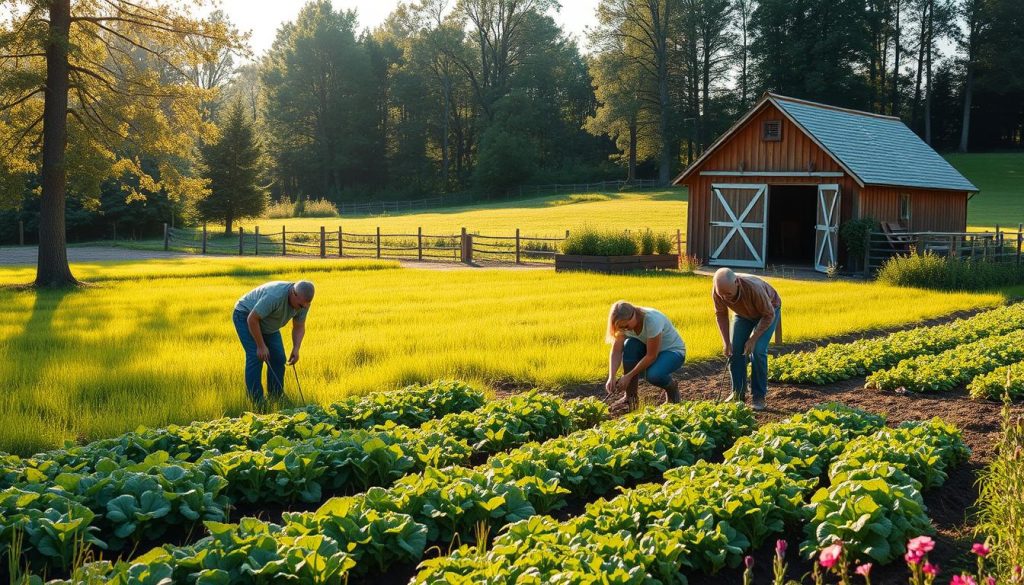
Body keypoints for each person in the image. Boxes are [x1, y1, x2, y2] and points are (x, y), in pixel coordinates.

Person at [711, 268, 782, 411]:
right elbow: (721, 315)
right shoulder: (718, 291)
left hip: (768, 311)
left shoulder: (753, 288)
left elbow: (768, 315)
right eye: (722, 294)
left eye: (728, 294)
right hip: (742, 314)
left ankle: (758, 396)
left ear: (736, 282)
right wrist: (726, 343)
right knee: (734, 350)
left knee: (758, 350)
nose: (725, 298)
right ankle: (738, 393)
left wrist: (753, 339)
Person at [233, 280, 314, 403]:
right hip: (246, 315)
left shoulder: (304, 302)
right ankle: (257, 401)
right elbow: (252, 319)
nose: (302, 308)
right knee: (256, 357)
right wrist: (260, 346)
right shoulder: (274, 296)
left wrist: (296, 348)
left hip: (269, 323)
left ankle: (276, 396)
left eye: (305, 306)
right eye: (301, 305)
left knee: (279, 358)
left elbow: (299, 326)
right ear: (293, 293)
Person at [605, 301, 686, 411]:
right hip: (649, 350)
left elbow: (651, 355)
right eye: (621, 327)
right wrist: (612, 376)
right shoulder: (623, 326)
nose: (625, 329)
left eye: (626, 325)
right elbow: (616, 351)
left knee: (653, 375)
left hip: (672, 352)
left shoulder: (651, 320)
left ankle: (672, 388)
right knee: (630, 345)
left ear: (634, 315)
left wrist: (628, 376)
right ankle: (631, 399)